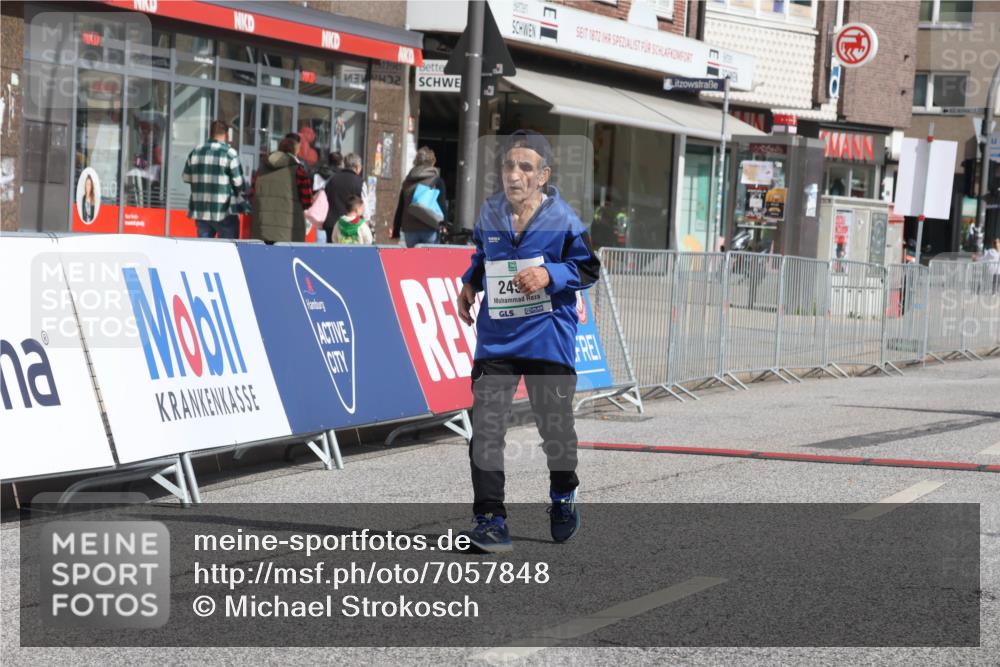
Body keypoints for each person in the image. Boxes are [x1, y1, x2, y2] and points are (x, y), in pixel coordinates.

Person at [455, 130, 601, 553]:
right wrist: (470, 283)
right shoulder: (490, 211)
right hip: (497, 341)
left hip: (547, 340)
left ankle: (562, 493)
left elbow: (588, 269)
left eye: (525, 167)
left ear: (543, 175)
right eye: (508, 166)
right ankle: (490, 521)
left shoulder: (566, 220)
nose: (514, 175)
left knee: (555, 431)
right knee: (485, 430)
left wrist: (550, 275)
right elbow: (483, 256)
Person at [181, 120, 247, 239]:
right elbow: (239, 182)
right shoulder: (230, 154)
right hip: (223, 210)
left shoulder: (195, 152)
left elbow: (186, 177)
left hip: (200, 210)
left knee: (205, 250)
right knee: (228, 249)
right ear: (226, 135)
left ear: (210, 133)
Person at [250, 132, 313, 243]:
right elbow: (307, 201)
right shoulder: (298, 171)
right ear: (295, 151)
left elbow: (251, 195)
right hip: (289, 232)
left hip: (261, 229)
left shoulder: (261, 169)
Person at [391, 146, 448, 247]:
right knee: (429, 261)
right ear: (433, 162)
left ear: (416, 162)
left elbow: (401, 207)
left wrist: (396, 230)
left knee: (412, 261)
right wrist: (444, 224)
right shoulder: (437, 181)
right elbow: (442, 205)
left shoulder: (407, 181)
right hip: (430, 227)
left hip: (409, 229)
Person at [324, 152, 364, 243]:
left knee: (332, 254)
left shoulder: (332, 179)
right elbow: (365, 205)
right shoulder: (360, 182)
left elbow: (326, 196)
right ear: (357, 167)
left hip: (332, 223)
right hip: (352, 226)